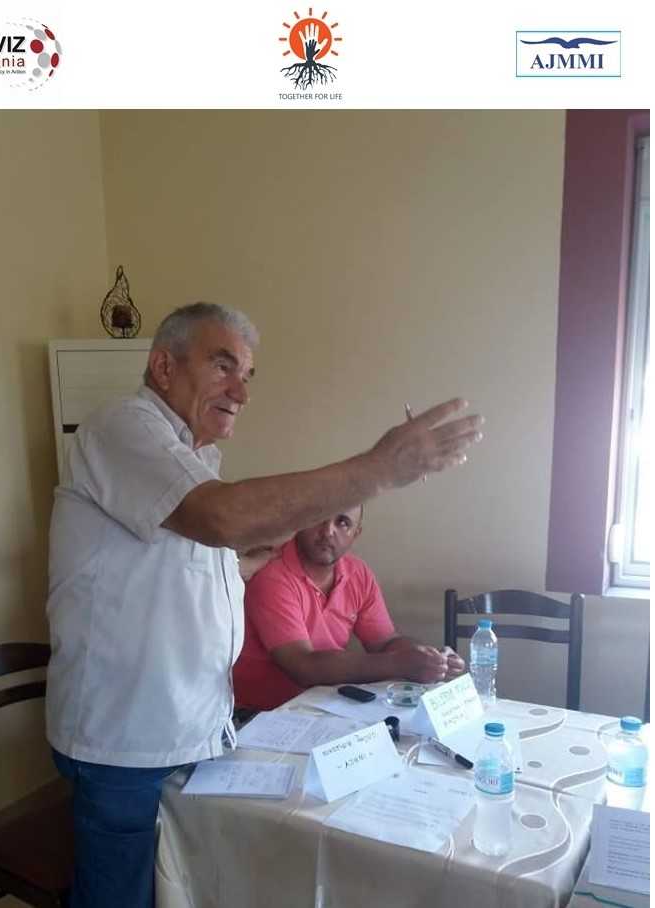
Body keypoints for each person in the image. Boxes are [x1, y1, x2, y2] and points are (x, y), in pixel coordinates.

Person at [45, 302, 483, 908]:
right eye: (223, 366)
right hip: (126, 737)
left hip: (195, 728)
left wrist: (249, 560)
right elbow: (221, 518)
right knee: (120, 898)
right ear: (164, 367)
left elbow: (193, 564)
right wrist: (379, 469)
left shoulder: (196, 459)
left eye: (247, 375)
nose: (241, 392)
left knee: (184, 887)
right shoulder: (120, 428)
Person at [233, 506, 466, 711]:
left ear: (356, 534)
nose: (328, 531)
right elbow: (303, 667)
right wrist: (399, 663)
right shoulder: (272, 575)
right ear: (301, 520)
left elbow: (385, 642)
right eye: (319, 517)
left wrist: (429, 657)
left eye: (343, 522)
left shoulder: (357, 572)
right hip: (260, 716)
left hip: (326, 706)